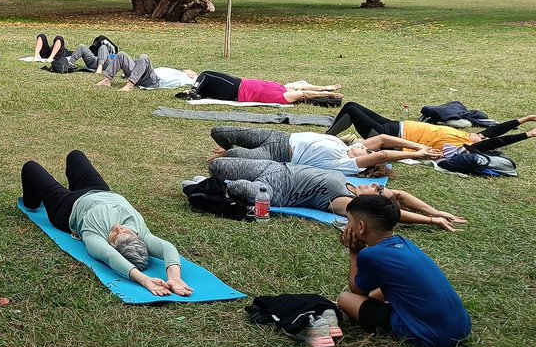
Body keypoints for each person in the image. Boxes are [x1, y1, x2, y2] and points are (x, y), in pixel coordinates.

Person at [21, 150, 193, 297]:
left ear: (110, 244)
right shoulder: (142, 234)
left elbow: (111, 258)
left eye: (115, 235)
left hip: (67, 206)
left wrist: (144, 280)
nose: (118, 228)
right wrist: (174, 277)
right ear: (137, 238)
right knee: (75, 156)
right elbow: (167, 248)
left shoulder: (94, 238)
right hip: (100, 190)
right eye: (126, 232)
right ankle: (72, 185)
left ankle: (31, 202)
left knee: (30, 167)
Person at [337, 194, 472, 347]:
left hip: (431, 337)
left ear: (361, 226)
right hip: (462, 328)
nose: (347, 226)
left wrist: (354, 252)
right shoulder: (403, 243)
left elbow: (358, 290)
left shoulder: (371, 255)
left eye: (349, 221)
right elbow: (390, 285)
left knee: (345, 299)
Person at [206, 157, 466, 231]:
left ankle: (214, 186)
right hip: (275, 167)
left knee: (231, 185)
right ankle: (218, 181)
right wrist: (434, 210)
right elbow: (400, 195)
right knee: (217, 164)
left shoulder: (346, 203)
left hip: (274, 191)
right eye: (379, 186)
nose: (378, 186)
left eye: (378, 190)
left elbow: (393, 211)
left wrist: (430, 222)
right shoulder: (353, 186)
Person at [208, 126, 441, 176]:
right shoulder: (349, 147)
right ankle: (232, 149)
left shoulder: (345, 164)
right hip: (277, 137)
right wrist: (418, 145)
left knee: (227, 159)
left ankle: (231, 152)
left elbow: (383, 155)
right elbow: (382, 140)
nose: (362, 146)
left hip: (275, 156)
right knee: (219, 132)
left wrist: (416, 156)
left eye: (365, 152)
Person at [326, 102, 536, 154]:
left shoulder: (461, 145)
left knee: (352, 111)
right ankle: (328, 137)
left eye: (482, 139)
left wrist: (527, 135)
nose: (481, 136)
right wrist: (525, 119)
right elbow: (497, 131)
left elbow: (497, 140)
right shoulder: (469, 135)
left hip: (388, 136)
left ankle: (326, 138)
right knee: (352, 106)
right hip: (394, 125)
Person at [193, 71, 342, 104]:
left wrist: (328, 95)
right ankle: (196, 91)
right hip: (238, 86)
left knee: (206, 74)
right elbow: (304, 87)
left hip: (237, 88)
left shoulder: (283, 97)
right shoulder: (283, 89)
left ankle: (193, 91)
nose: (295, 88)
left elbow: (305, 93)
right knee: (207, 87)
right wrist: (326, 87)